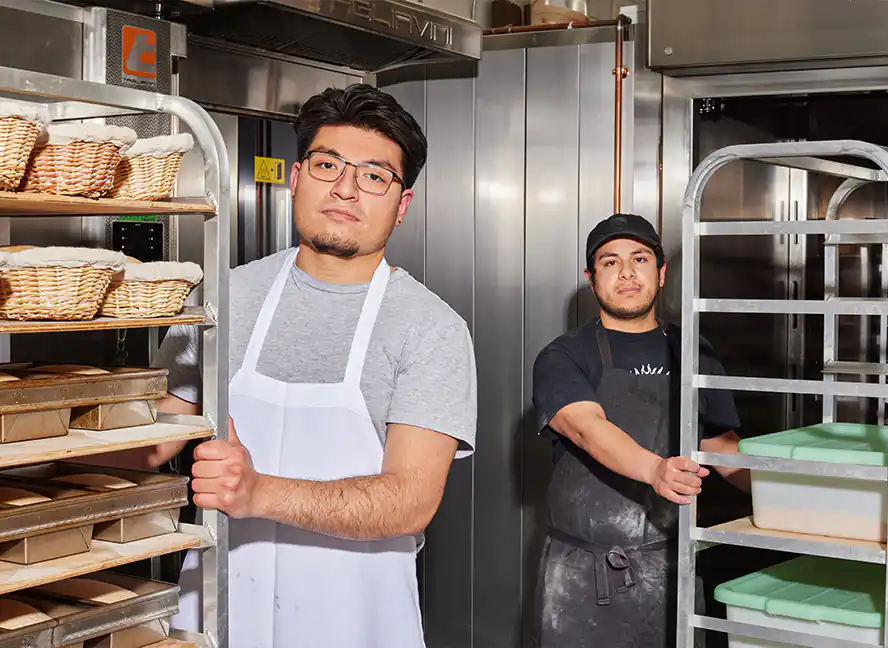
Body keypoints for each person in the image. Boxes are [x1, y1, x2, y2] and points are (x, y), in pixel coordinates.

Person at [112, 85, 477, 648]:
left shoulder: (430, 328)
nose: (346, 188)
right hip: (221, 608)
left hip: (358, 621)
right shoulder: (223, 299)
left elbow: (411, 500)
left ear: (402, 205)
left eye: (375, 176)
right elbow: (155, 441)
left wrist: (259, 495)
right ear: (296, 178)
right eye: (328, 164)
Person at [531, 213, 748, 648]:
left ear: (661, 272)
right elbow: (586, 428)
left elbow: (720, 446)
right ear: (592, 279)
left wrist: (792, 498)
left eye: (640, 258)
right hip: (582, 578)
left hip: (671, 569)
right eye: (610, 262)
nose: (627, 272)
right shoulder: (563, 356)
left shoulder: (693, 351)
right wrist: (656, 470)